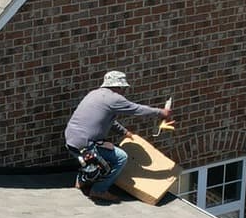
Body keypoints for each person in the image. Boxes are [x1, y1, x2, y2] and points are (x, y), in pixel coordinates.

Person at [62, 71, 171, 201]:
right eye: (123, 88)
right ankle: (99, 190)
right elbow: (136, 109)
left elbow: (107, 120)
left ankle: (83, 180)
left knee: (92, 160)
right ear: (118, 87)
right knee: (121, 157)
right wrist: (161, 112)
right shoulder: (114, 98)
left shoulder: (94, 94)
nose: (124, 91)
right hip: (87, 145)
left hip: (71, 141)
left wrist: (124, 132)